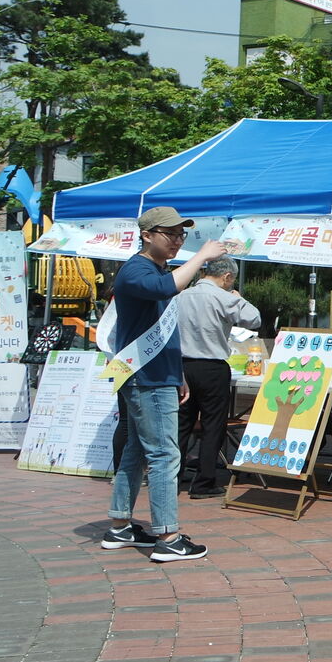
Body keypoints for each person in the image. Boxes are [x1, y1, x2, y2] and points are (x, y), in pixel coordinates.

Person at [101, 207, 228, 562]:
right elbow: (168, 288)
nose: (177, 240)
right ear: (147, 235)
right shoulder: (136, 270)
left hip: (154, 373)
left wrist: (179, 374)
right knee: (164, 454)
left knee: (137, 450)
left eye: (181, 234)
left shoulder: (154, 269)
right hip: (147, 377)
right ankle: (168, 537)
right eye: (169, 233)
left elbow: (164, 330)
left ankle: (120, 525)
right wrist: (201, 256)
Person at [175, 256, 261, 499]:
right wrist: (238, 297)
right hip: (212, 367)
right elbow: (254, 318)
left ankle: (172, 478)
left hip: (181, 366)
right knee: (213, 425)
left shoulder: (181, 296)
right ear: (227, 276)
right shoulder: (224, 297)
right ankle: (204, 482)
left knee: (181, 425)